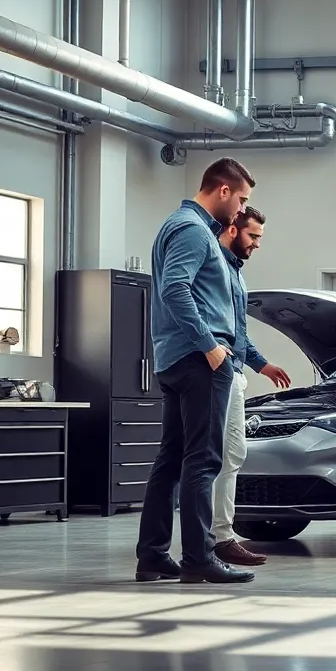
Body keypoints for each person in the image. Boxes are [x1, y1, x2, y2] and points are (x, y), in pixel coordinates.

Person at [135, 157, 258, 585]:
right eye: (241, 199)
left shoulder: (176, 224)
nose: (241, 210)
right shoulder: (193, 230)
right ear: (223, 191)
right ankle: (199, 558)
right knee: (202, 461)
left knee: (170, 460)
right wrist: (210, 347)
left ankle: (152, 556)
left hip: (174, 358)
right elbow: (173, 289)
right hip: (198, 361)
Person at [209, 206, 292, 568]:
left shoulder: (236, 274)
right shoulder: (215, 269)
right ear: (231, 230)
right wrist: (217, 354)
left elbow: (238, 331)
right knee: (221, 457)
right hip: (219, 372)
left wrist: (262, 364)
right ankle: (219, 538)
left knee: (231, 456)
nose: (257, 244)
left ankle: (220, 535)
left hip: (234, 370)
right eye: (253, 236)